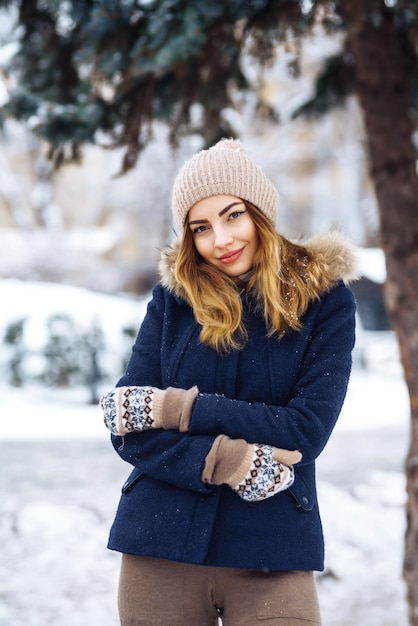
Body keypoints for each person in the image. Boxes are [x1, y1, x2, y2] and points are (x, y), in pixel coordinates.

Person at [100, 138, 359, 626]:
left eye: (233, 215)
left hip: (272, 548)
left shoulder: (325, 301)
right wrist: (224, 459)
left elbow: (305, 431)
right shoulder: (172, 302)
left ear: (260, 213)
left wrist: (179, 410)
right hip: (159, 546)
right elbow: (130, 423)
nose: (220, 239)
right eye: (201, 227)